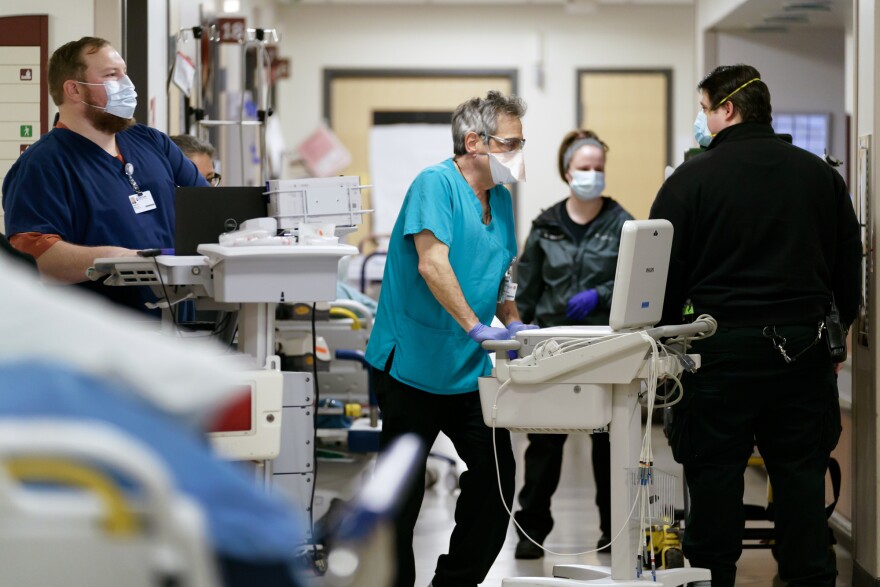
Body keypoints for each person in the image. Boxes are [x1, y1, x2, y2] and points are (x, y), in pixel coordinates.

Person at [650, 64, 861, 587]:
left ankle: (712, 576)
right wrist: (832, 344)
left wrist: (665, 344)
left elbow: (661, 280)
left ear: (727, 109)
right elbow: (847, 277)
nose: (702, 120)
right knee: (801, 482)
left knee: (714, 483)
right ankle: (808, 575)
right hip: (803, 355)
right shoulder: (821, 178)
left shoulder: (689, 181)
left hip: (716, 354)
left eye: (705, 109)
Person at [364, 90, 529, 587]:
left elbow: (503, 271)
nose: (517, 153)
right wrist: (476, 327)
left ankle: (455, 582)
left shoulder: (501, 200)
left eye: (521, 143)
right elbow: (432, 263)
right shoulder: (434, 184)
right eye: (510, 143)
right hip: (411, 365)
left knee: (497, 478)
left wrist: (513, 321)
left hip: (467, 370)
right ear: (474, 142)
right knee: (401, 497)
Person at [2, 37, 208, 315]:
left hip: (180, 320)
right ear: (74, 89)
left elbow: (208, 206)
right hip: (105, 326)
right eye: (112, 75)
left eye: (124, 72)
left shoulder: (152, 142)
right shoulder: (42, 165)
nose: (127, 84)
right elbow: (34, 257)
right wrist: (115, 258)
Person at [512, 129, 633, 559]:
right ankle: (531, 531)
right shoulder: (545, 227)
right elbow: (525, 291)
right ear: (567, 172)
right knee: (545, 445)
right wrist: (518, 340)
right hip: (553, 347)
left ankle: (612, 530)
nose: (592, 175)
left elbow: (637, 279)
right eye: (585, 168)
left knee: (608, 440)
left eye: (599, 168)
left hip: (606, 346)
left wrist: (600, 295)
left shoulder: (623, 224)